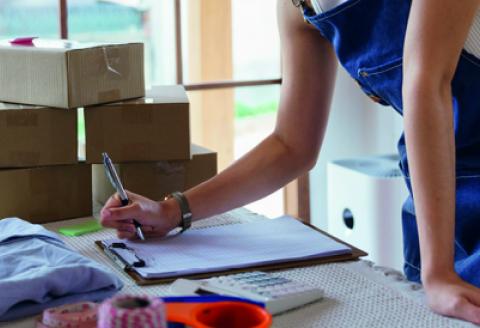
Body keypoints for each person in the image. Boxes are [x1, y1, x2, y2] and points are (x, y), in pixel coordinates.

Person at [100, 0, 480, 324]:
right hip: (440, 196)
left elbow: (426, 81)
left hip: (445, 205)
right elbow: (291, 145)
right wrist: (172, 210)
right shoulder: (301, 6)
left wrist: (439, 273)